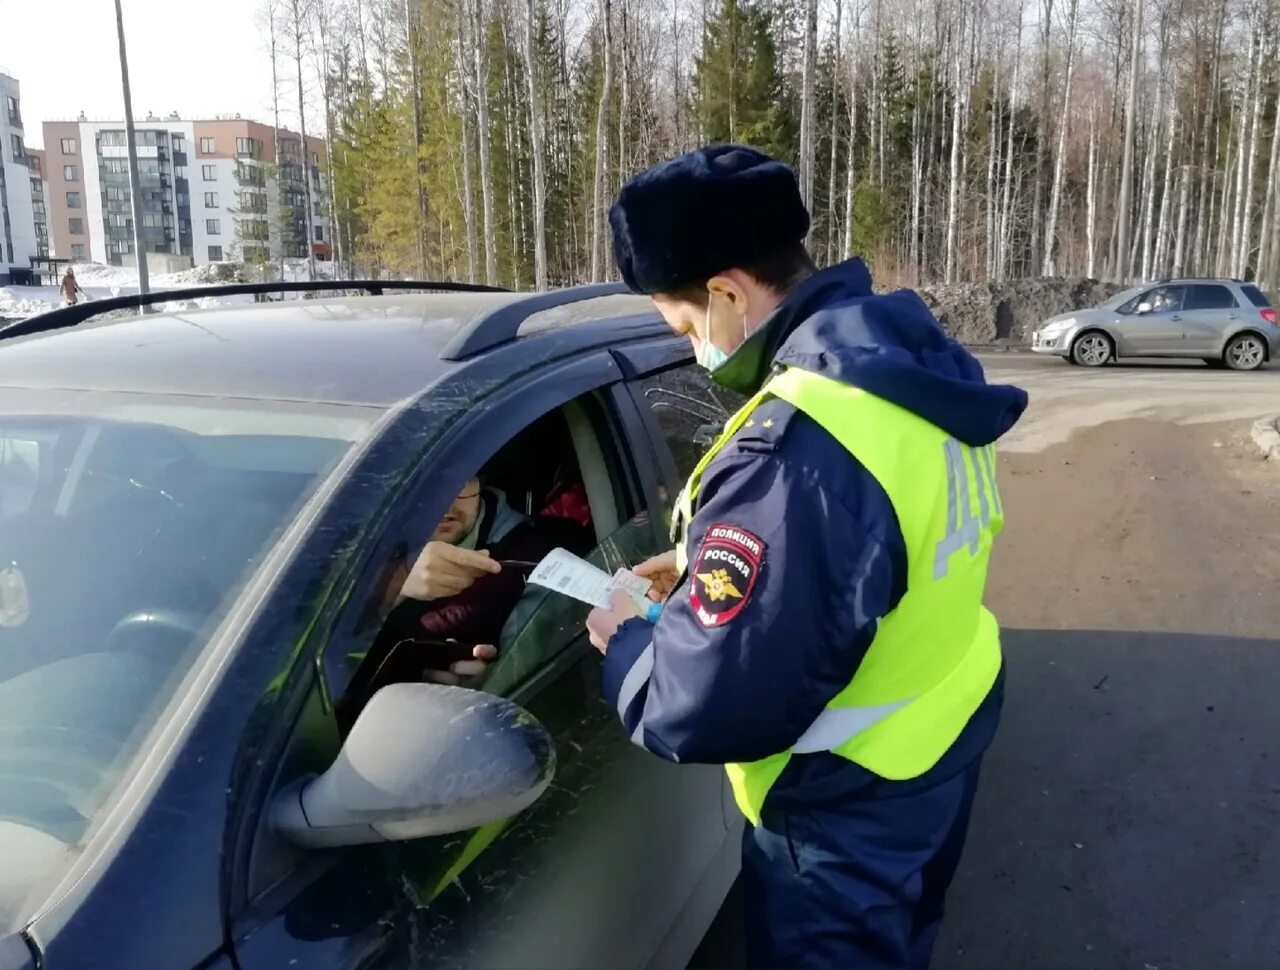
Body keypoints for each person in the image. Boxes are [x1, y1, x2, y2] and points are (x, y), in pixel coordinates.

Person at [585, 144, 1028, 969]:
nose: (691, 349)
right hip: (936, 743)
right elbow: (871, 546)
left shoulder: (799, 450)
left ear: (725, 291)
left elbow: (709, 701)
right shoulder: (905, 366)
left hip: (840, 816)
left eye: (683, 324)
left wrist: (632, 644)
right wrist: (698, 567)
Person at [336, 475, 590, 731]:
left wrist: (491, 684)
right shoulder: (347, 547)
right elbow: (318, 650)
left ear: (481, 478)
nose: (444, 501)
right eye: (425, 484)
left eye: (460, 479)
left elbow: (538, 686)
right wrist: (393, 586)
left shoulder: (537, 554)